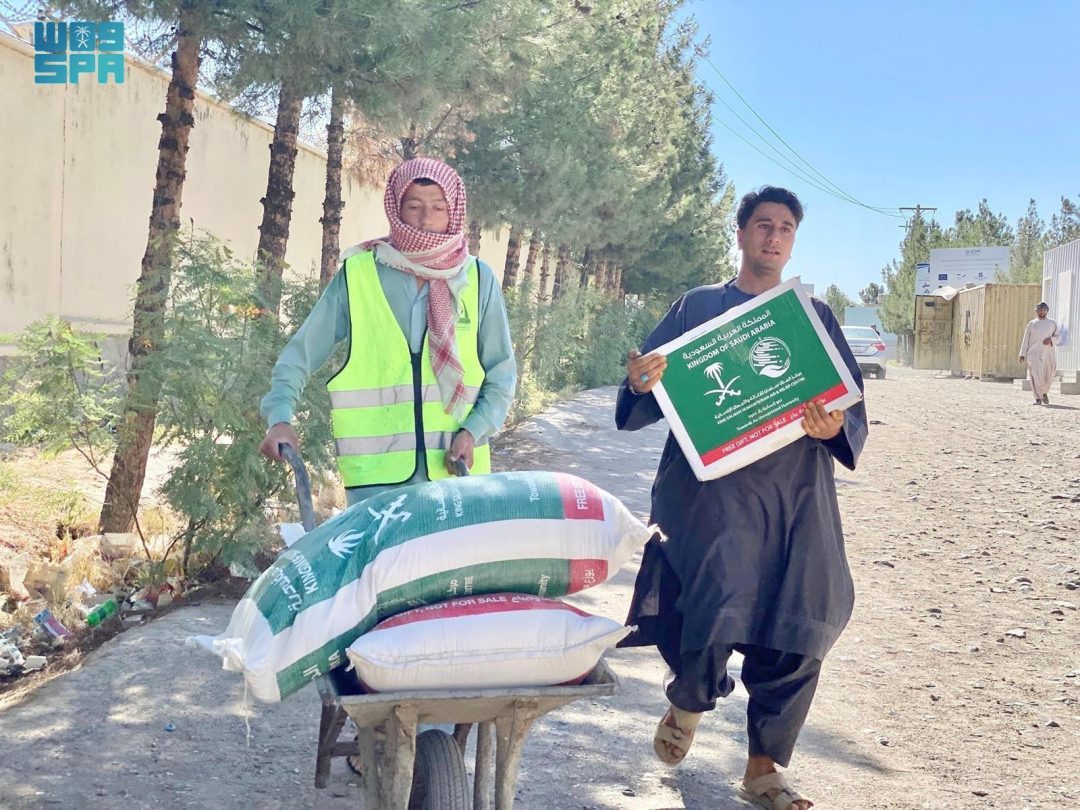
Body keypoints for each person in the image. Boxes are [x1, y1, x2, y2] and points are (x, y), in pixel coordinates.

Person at [615, 187, 867, 810]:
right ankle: (690, 696)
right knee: (712, 605)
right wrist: (640, 380)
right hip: (713, 496)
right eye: (763, 224)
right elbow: (646, 392)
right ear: (742, 233)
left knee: (802, 615)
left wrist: (835, 426)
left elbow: (849, 404)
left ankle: (764, 767)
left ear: (793, 240)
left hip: (795, 496)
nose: (773, 236)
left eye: (785, 227)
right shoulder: (698, 308)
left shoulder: (813, 318)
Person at [258, 157, 517, 505]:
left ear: (453, 211)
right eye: (414, 207)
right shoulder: (358, 274)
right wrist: (279, 418)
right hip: (376, 484)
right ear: (396, 208)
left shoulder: (478, 279)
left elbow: (502, 373)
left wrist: (474, 429)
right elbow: (300, 354)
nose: (426, 219)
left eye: (438, 208)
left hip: (458, 476)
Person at [1018, 302, 1060, 406]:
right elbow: (1026, 339)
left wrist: (1051, 339)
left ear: (1047, 311)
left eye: (1044, 310)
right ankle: (1037, 398)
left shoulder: (1052, 323)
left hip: (1048, 354)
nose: (1042, 312)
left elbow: (1059, 337)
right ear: (1036, 311)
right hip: (1034, 354)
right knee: (1035, 376)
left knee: (1048, 375)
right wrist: (1022, 354)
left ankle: (1044, 392)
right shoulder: (1032, 324)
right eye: (1040, 310)